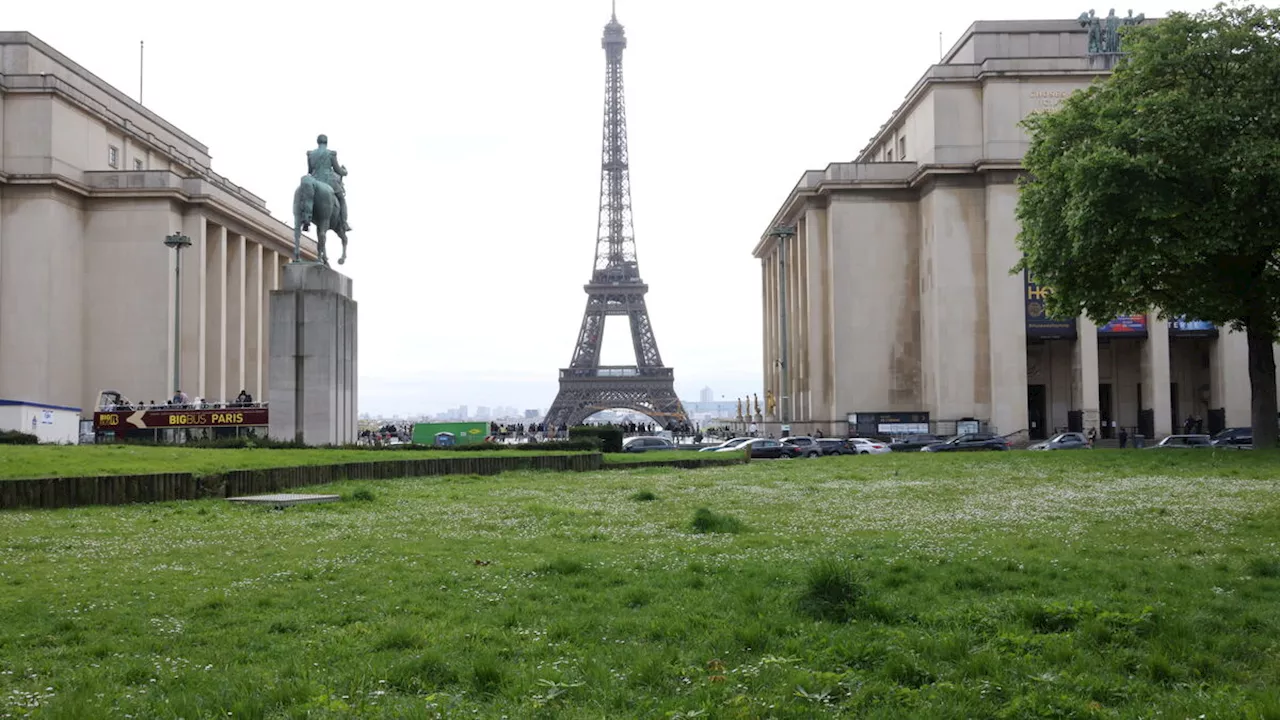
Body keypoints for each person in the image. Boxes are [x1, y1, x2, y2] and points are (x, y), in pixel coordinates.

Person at [306, 134, 351, 232]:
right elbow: (337, 169)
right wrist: (345, 172)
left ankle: (306, 218)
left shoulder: (310, 154)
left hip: (314, 180)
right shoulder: (331, 154)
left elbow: (309, 170)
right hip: (328, 180)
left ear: (318, 142)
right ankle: (344, 223)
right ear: (326, 142)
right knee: (342, 199)